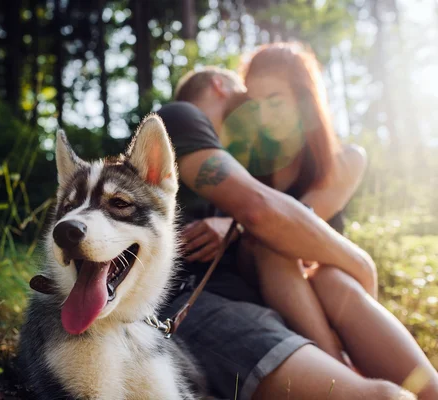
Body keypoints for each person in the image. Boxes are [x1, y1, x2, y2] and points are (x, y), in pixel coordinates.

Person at [157, 43, 438, 400]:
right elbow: (269, 219)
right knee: (275, 243)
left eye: (272, 101)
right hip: (261, 280)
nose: (259, 115)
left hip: (320, 283)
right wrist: (361, 263)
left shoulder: (340, 159)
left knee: (330, 277)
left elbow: (293, 219)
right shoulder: (209, 135)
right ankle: (339, 367)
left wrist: (235, 223)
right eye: (253, 103)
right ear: (220, 86)